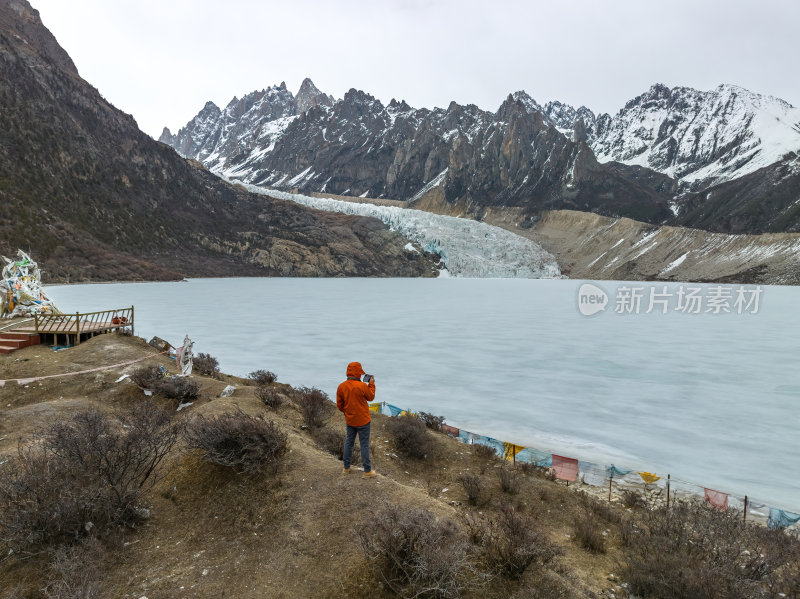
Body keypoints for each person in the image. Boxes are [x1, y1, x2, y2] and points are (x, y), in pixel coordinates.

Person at [336, 362, 377, 477]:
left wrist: (347, 412)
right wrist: (371, 384)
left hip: (350, 420)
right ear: (358, 373)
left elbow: (339, 405)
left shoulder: (341, 386)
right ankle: (367, 471)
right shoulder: (362, 386)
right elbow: (371, 397)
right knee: (364, 444)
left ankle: (346, 468)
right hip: (363, 420)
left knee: (349, 442)